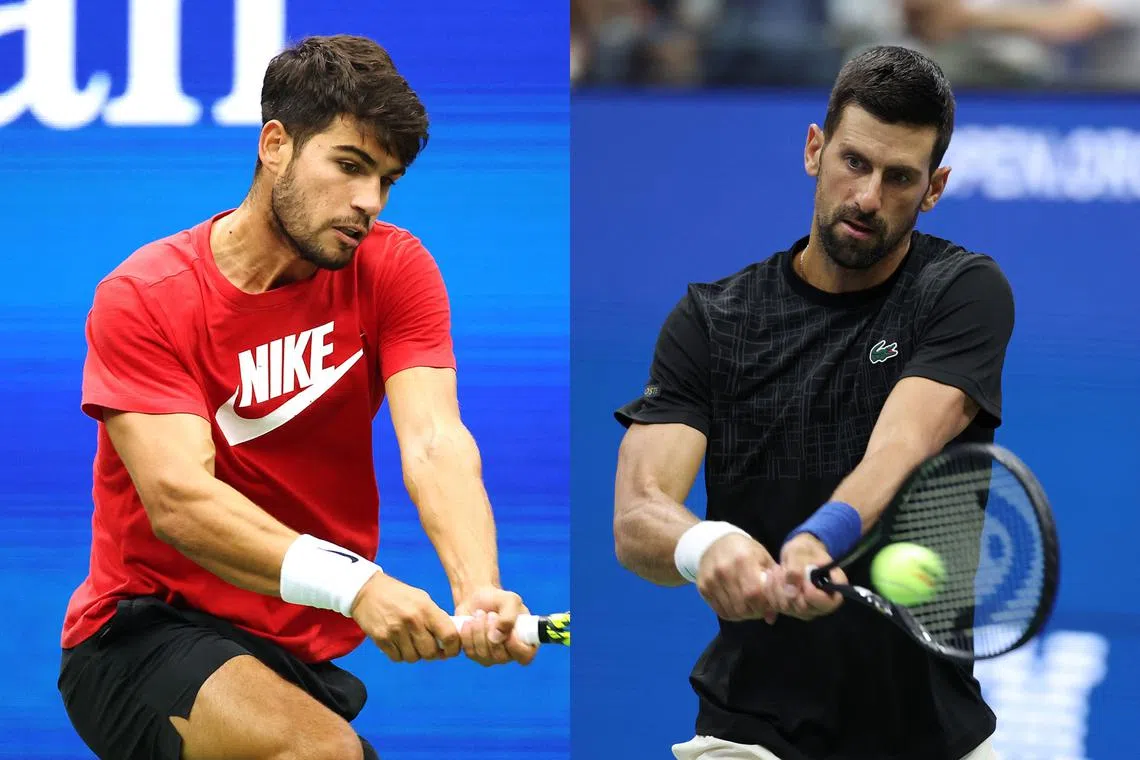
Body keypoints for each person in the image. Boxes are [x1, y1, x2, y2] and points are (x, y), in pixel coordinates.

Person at [57, 34, 536, 760]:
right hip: (140, 633)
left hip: (293, 658)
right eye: (349, 166)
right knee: (321, 754)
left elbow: (435, 442)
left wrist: (477, 588)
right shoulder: (145, 297)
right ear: (275, 145)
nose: (367, 202)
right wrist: (359, 586)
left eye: (387, 180)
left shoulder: (394, 270)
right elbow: (182, 501)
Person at [612, 46, 1014, 760]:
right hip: (753, 731)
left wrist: (818, 537)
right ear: (814, 150)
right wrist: (707, 544)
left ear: (934, 188)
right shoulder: (713, 320)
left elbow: (904, 446)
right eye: (854, 163)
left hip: (934, 731)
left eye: (900, 178)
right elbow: (639, 513)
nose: (867, 198)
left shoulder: (963, 292)